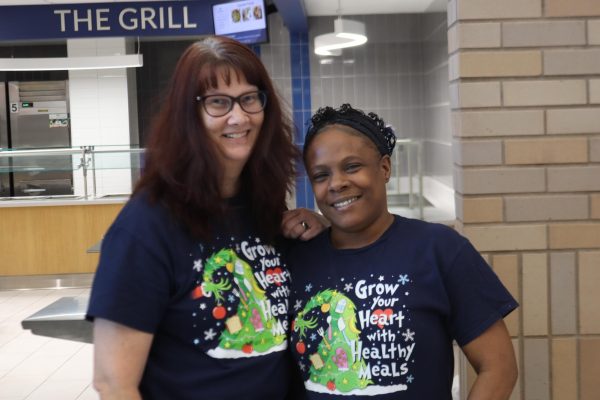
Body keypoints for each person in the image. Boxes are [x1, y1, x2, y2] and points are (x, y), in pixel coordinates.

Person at [86, 36, 323, 400]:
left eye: (249, 98)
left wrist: (316, 232)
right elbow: (113, 383)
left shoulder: (262, 208)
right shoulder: (147, 224)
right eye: (217, 102)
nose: (239, 116)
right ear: (188, 115)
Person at [288, 104, 518, 399]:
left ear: (384, 167)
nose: (337, 184)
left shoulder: (439, 249)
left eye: (352, 167)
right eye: (321, 175)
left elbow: (499, 368)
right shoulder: (299, 260)